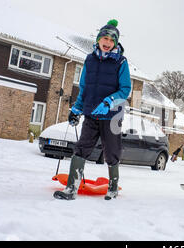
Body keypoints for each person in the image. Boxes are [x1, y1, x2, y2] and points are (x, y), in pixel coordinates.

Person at [53, 19, 131, 201]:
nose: (108, 42)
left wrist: (108, 102)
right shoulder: (90, 60)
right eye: (105, 38)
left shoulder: (121, 62)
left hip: (112, 115)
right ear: (98, 40)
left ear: (116, 43)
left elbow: (125, 90)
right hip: (91, 112)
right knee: (81, 148)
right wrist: (77, 108)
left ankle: (113, 188)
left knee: (112, 150)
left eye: (112, 40)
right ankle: (71, 188)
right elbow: (84, 87)